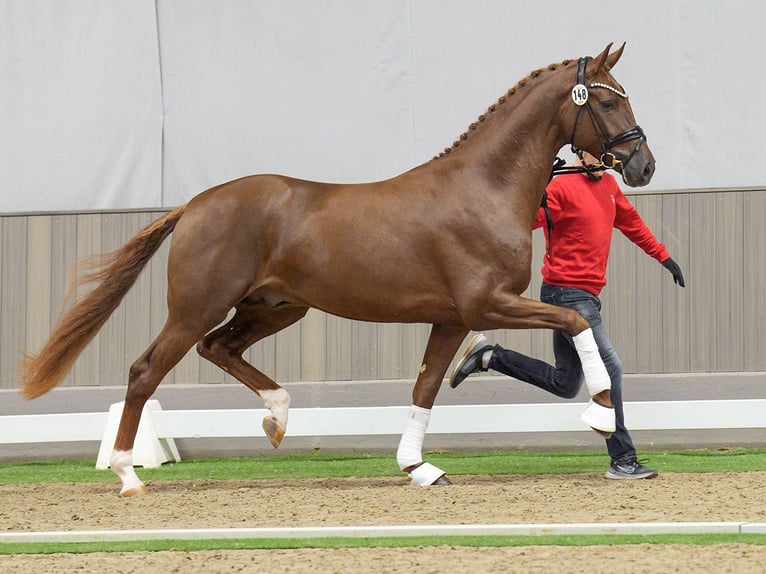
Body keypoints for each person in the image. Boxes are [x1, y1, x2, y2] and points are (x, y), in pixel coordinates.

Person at [450, 150, 685, 480]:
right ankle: (623, 459)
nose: (601, 157)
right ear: (579, 152)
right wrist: (536, 190)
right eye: (592, 149)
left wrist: (664, 257)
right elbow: (519, 223)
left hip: (588, 295)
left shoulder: (610, 186)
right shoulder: (559, 189)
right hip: (566, 295)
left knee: (565, 383)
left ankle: (490, 356)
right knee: (609, 366)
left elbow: (633, 225)